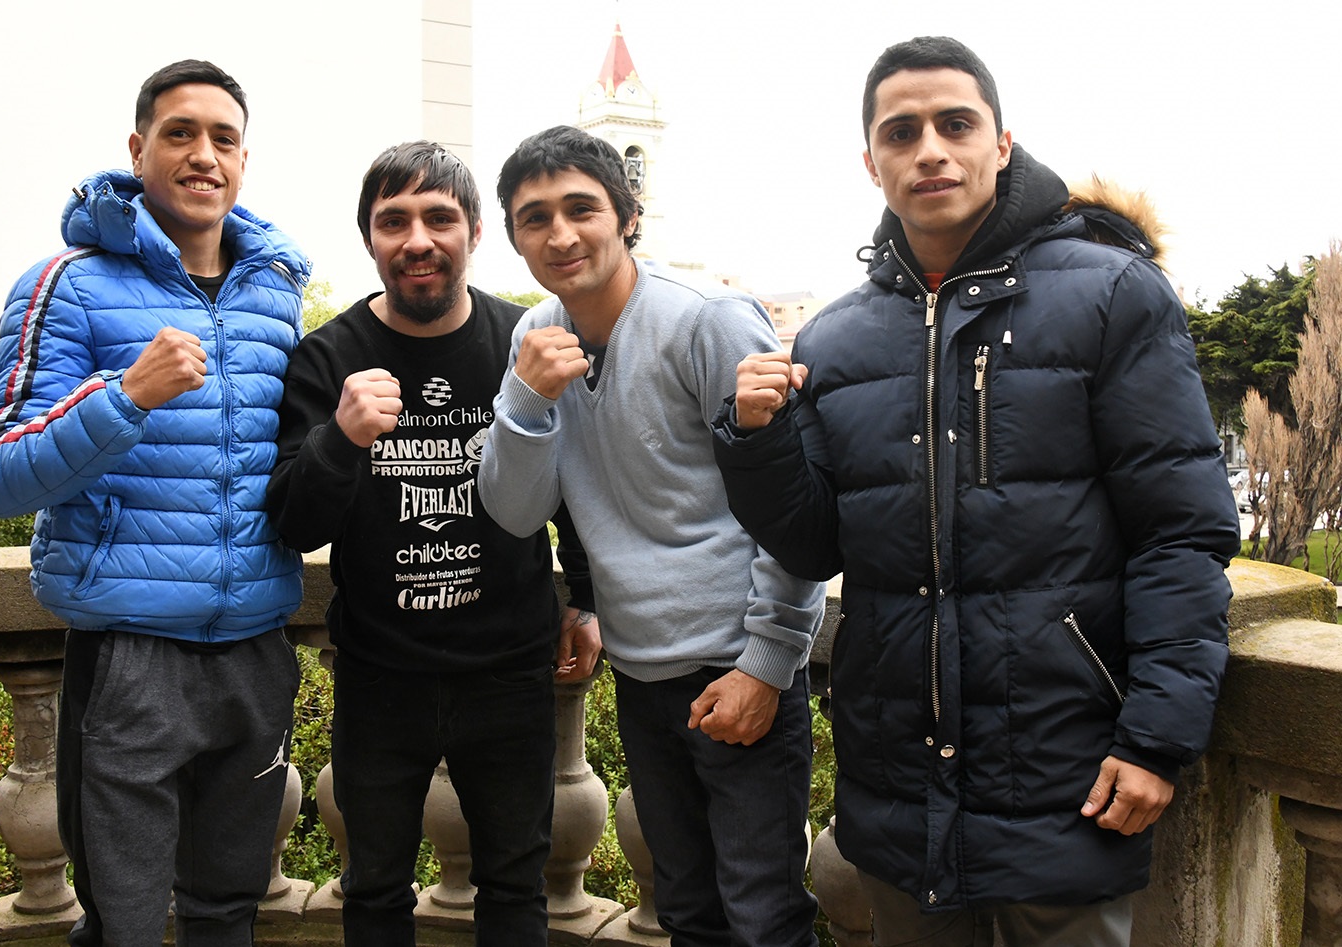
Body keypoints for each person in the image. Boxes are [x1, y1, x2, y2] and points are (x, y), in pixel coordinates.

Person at [710, 36, 1239, 947]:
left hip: (1066, 769)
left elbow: (1181, 534)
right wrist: (756, 443)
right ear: (869, 160)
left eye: (956, 125)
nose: (930, 150)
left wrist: (1156, 739)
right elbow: (817, 547)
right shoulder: (835, 338)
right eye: (901, 131)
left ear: (1001, 143)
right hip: (901, 780)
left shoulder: (1113, 295)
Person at [0, 60, 309, 946]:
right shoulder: (66, 283)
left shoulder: (275, 294)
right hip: (129, 657)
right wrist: (126, 395)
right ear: (138, 148)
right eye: (180, 133)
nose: (203, 155)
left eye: (223, 138)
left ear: (243, 160)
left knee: (233, 909)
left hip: (256, 651)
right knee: (124, 921)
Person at [477, 125, 826, 947]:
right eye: (535, 218)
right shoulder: (537, 340)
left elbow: (789, 503)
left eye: (581, 209)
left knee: (765, 914)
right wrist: (525, 403)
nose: (560, 234)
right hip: (641, 671)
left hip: (737, 665)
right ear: (514, 237)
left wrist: (767, 663)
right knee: (689, 914)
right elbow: (514, 511)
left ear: (628, 216)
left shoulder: (706, 321)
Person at [265, 140, 598, 946]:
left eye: (439, 217)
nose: (418, 238)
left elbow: (577, 489)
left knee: (517, 888)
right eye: (394, 220)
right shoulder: (329, 358)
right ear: (370, 238)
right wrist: (339, 440)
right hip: (381, 676)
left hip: (509, 673)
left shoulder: (521, 342)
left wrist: (585, 598)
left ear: (474, 232)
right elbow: (292, 521)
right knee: (374, 888)